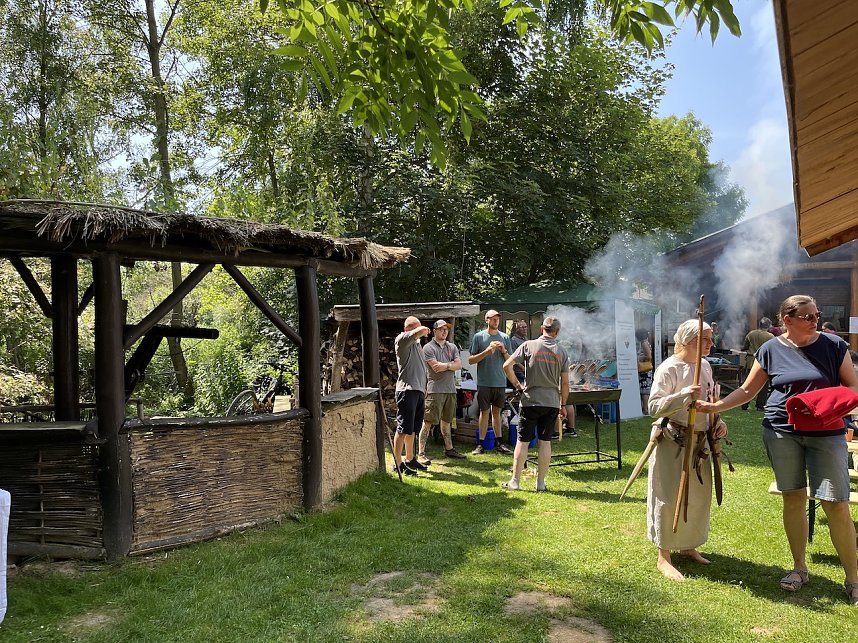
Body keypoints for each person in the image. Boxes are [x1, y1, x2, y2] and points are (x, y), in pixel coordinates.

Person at [697, 295, 858, 606]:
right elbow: (747, 390)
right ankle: (799, 568)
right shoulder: (769, 349)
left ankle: (853, 577)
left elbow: (852, 388)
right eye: (808, 316)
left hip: (827, 432)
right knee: (793, 497)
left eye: (816, 315)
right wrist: (715, 406)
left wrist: (822, 404)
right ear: (787, 320)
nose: (815, 321)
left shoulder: (834, 346)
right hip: (782, 431)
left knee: (835, 503)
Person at [647, 319, 725, 581]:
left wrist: (717, 422)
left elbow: (710, 399)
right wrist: (683, 396)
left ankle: (688, 545)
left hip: (700, 441)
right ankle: (664, 555)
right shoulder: (669, 368)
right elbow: (654, 407)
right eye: (706, 339)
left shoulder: (704, 365)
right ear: (689, 340)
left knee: (697, 496)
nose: (711, 344)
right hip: (673, 439)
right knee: (668, 496)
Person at [501, 316, 570, 492]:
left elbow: (506, 366)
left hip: (530, 400)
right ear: (557, 332)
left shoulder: (528, 345)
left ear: (541, 328)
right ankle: (540, 484)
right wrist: (563, 405)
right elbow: (565, 384)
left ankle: (515, 482)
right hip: (552, 403)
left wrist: (518, 385)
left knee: (522, 441)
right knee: (545, 442)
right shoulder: (561, 352)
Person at [418, 320, 466, 462]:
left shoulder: (452, 347)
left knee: (447, 421)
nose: (445, 331)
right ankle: (421, 453)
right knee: (427, 422)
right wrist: (451, 365)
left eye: (446, 329)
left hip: (450, 390)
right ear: (434, 331)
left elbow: (459, 365)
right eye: (441, 329)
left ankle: (449, 449)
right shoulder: (428, 348)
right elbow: (435, 367)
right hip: (435, 390)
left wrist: (446, 365)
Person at [468, 309, 514, 455]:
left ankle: (499, 443)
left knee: (497, 413)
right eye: (493, 319)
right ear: (486, 320)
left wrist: (504, 351)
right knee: (484, 412)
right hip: (484, 381)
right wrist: (486, 352)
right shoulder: (479, 337)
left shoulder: (505, 337)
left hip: (500, 381)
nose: (496, 321)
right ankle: (480, 444)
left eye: (497, 319)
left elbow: (510, 361)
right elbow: (471, 360)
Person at [393, 316, 431, 476]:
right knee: (402, 428)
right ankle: (397, 463)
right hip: (406, 391)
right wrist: (424, 329)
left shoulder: (417, 345)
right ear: (409, 329)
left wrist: (424, 387)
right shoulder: (402, 339)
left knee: (412, 429)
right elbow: (421, 330)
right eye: (416, 328)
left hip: (418, 391)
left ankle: (410, 459)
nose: (421, 332)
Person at [740, 317, 774, 411]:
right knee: (763, 386)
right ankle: (760, 406)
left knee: (747, 384)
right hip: (764, 363)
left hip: (751, 361)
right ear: (768, 326)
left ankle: (744, 405)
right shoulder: (770, 336)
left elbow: (745, 346)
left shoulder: (751, 334)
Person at [637, 329, 654, 415]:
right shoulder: (646, 342)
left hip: (644, 370)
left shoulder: (643, 343)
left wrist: (639, 359)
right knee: (646, 389)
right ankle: (646, 408)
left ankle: (646, 409)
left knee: (644, 390)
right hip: (646, 370)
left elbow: (649, 356)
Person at [510, 319, 529, 383]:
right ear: (517, 329)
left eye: (526, 327)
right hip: (519, 372)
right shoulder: (513, 340)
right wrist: (523, 368)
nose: (525, 329)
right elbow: (513, 357)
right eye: (523, 327)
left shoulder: (526, 339)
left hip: (527, 371)